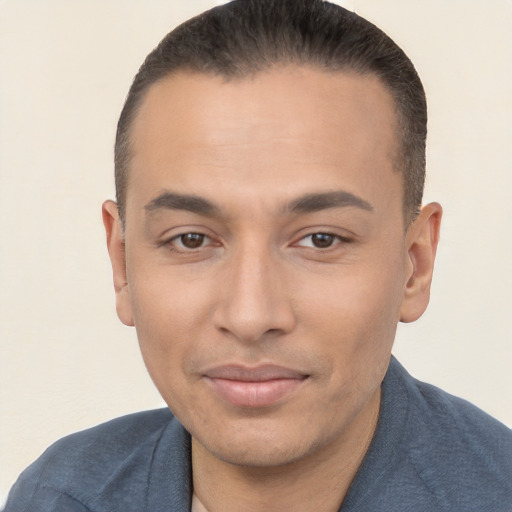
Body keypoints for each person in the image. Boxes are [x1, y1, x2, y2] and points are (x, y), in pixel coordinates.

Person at [5, 0, 511, 510]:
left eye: (321, 240)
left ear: (415, 265)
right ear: (122, 264)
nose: (250, 317)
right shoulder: (58, 498)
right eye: (191, 239)